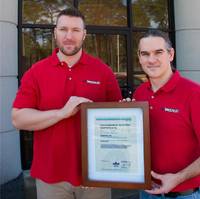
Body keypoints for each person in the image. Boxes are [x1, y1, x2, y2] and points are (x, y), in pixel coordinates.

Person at [12, 7, 122, 199]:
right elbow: (18, 119)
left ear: (84, 34)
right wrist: (61, 113)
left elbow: (118, 123)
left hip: (95, 176)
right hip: (51, 178)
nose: (69, 36)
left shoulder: (103, 72)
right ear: (55, 32)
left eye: (76, 30)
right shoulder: (36, 72)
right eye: (63, 29)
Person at [133, 30, 200, 199]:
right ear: (139, 58)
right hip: (146, 192)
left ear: (171, 54)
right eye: (145, 54)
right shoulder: (139, 93)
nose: (151, 59)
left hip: (183, 195)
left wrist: (178, 178)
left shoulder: (193, 94)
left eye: (158, 52)